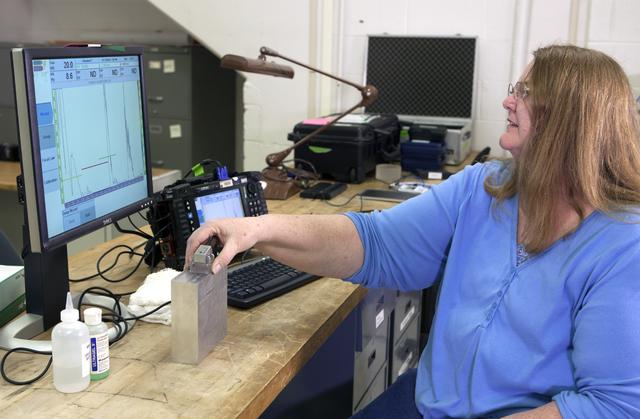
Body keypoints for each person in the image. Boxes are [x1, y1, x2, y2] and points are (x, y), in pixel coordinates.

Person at [185, 45, 640, 418]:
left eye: (525, 91)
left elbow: (612, 406)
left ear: (569, 118)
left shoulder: (623, 243)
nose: (508, 101)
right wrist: (258, 229)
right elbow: (376, 242)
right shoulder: (483, 188)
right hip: (430, 400)